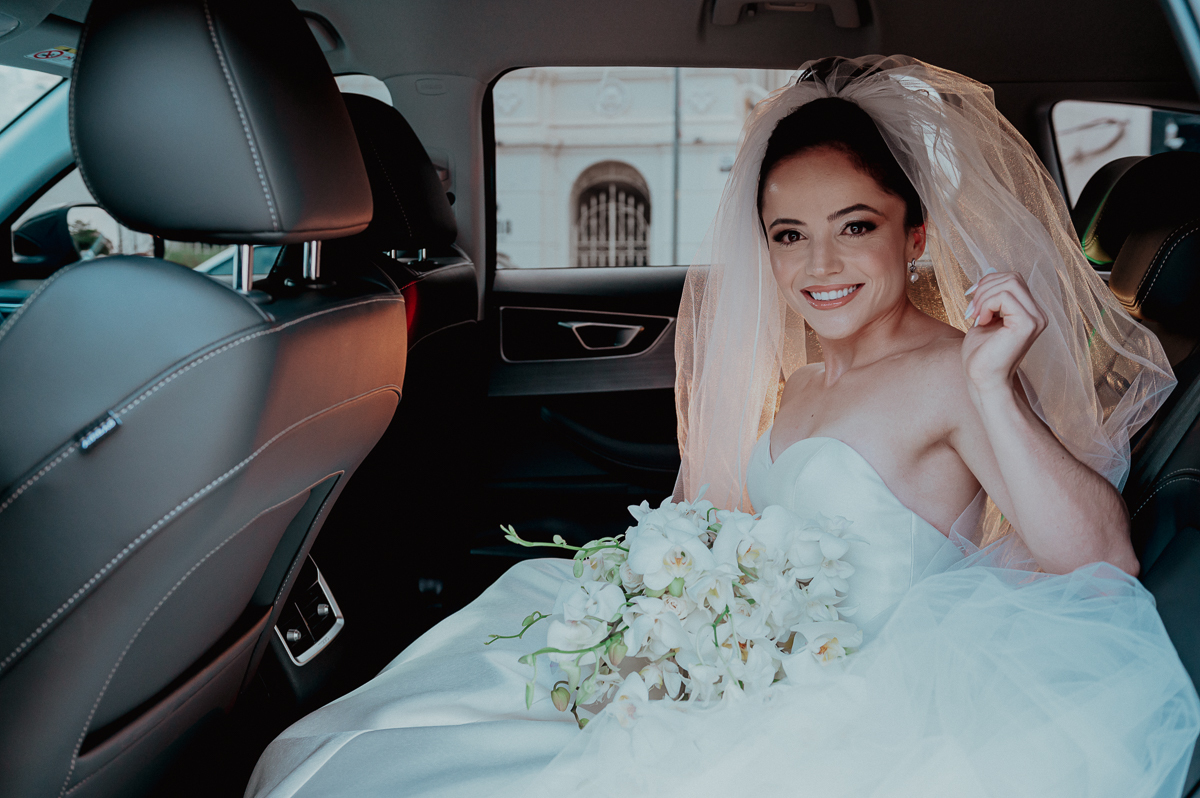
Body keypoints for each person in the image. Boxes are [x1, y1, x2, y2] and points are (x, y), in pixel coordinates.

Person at [245, 56, 1200, 798]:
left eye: (855, 226)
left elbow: (1100, 560)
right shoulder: (804, 379)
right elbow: (729, 523)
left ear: (915, 236)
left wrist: (996, 387)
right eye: (788, 235)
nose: (819, 262)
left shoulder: (955, 373)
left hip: (852, 692)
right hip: (752, 662)